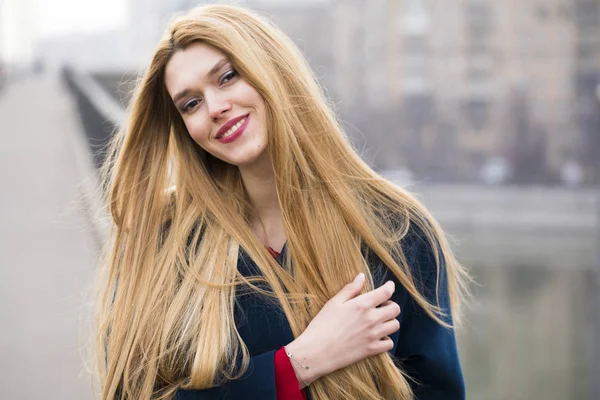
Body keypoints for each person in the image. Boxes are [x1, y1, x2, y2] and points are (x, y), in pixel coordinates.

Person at [93, 4, 471, 400]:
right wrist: (296, 364)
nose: (215, 108)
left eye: (227, 77)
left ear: (272, 69)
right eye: (191, 104)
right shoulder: (166, 240)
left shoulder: (396, 231)